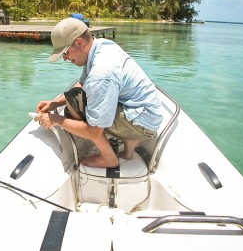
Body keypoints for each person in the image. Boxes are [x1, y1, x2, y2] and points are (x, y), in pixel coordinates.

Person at [34, 17, 163, 168]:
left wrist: (55, 119)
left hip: (142, 123)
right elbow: (82, 83)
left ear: (79, 43)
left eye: (65, 53)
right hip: (146, 112)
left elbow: (94, 132)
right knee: (73, 97)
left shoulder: (101, 72)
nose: (65, 59)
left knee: (73, 103)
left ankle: (108, 158)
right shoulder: (101, 46)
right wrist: (55, 103)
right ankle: (130, 144)